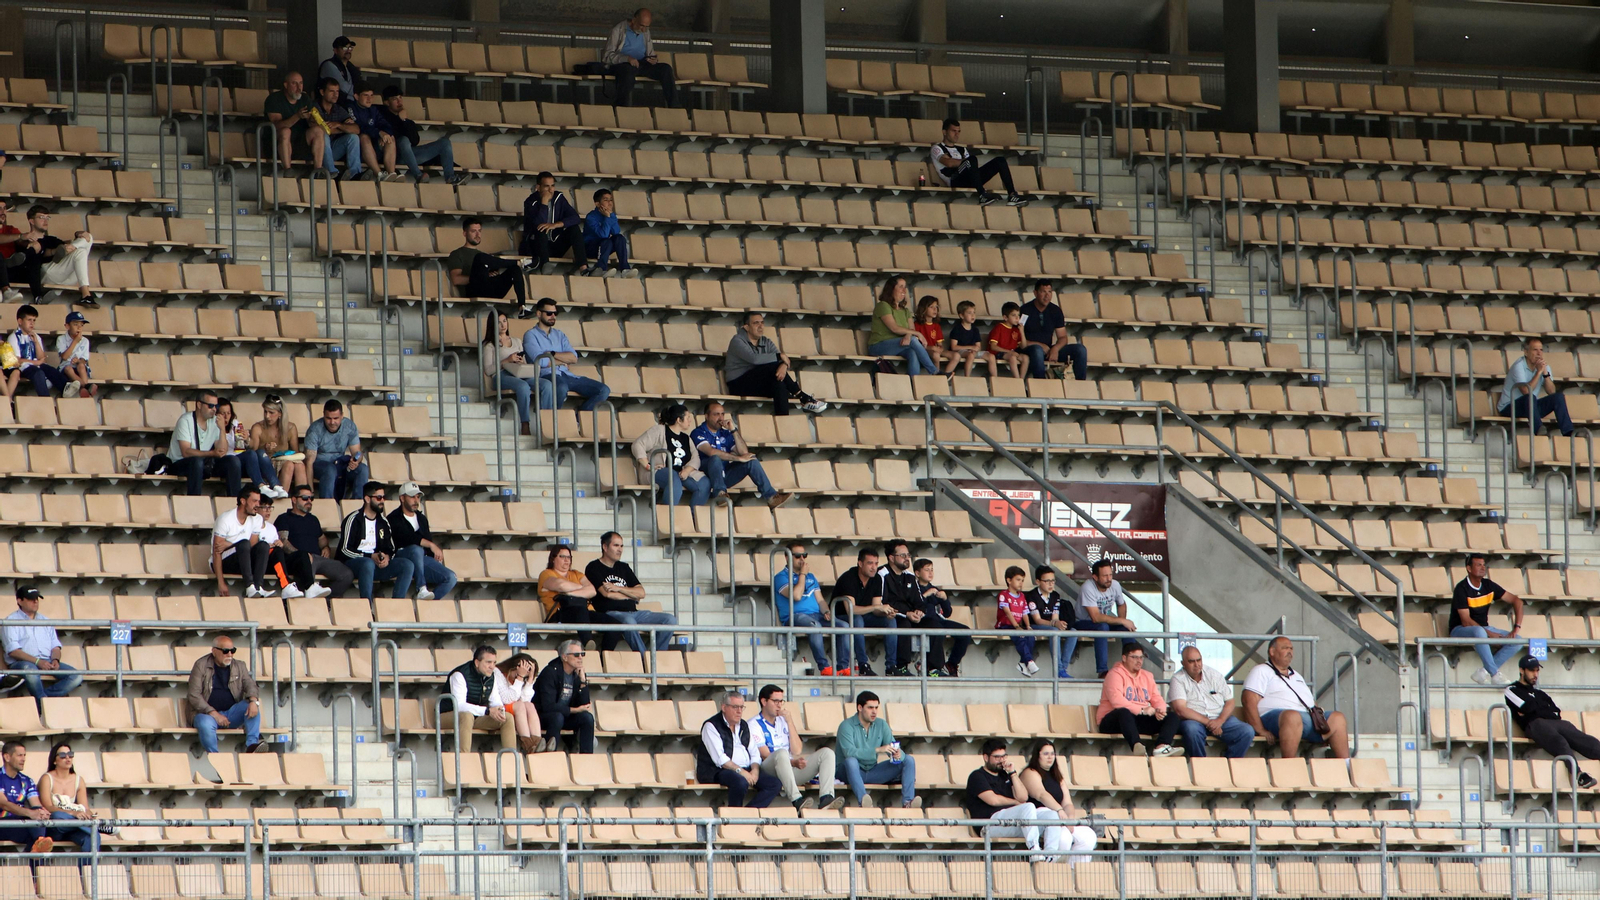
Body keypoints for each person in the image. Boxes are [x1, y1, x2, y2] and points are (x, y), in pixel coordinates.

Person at [1241, 636, 1350, 759]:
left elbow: (1310, 701)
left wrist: (1320, 722)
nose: (1290, 652)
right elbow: (1248, 700)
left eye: (1291, 649)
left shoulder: (1296, 675)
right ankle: (1289, 764)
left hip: (1306, 719)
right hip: (1277, 718)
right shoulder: (1261, 670)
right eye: (1285, 648)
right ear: (1272, 651)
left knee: (1338, 718)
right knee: (1292, 716)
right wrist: (1260, 729)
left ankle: (1346, 765)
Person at [1506, 655, 1600, 788]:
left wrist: (1534, 709)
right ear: (1522, 670)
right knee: (1559, 741)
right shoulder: (1512, 690)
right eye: (1532, 670)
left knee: (1584, 739)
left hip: (1553, 722)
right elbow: (1526, 707)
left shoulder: (1541, 694)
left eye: (1537, 670)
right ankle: (1579, 774)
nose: (1535, 674)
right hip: (1534, 724)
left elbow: (1556, 712)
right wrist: (1541, 710)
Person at [964, 739, 1064, 863]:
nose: (1001, 760)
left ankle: (1051, 855)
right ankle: (1034, 849)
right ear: (985, 757)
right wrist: (1015, 802)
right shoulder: (977, 776)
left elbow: (1023, 797)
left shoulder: (1005, 775)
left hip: (1011, 823)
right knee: (1028, 807)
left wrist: (1012, 773)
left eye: (1004, 756)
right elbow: (993, 800)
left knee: (1051, 814)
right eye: (997, 757)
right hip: (989, 825)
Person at [754, 685, 843, 813]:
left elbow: (797, 750)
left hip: (790, 769)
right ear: (764, 701)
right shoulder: (754, 724)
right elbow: (765, 755)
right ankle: (797, 800)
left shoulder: (783, 721)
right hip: (768, 771)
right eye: (775, 701)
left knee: (827, 753)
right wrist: (792, 762)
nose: (779, 705)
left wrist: (789, 721)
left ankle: (826, 798)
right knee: (781, 753)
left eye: (781, 701)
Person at [585, 530, 677, 654]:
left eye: (622, 546)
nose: (620, 550)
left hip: (635, 613)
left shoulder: (624, 567)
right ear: (605, 547)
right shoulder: (593, 567)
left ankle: (657, 657)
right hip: (611, 614)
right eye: (616, 545)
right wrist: (631, 595)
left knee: (670, 620)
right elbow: (608, 594)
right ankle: (644, 658)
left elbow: (641, 593)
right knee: (629, 622)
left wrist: (619, 589)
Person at [723, 310, 827, 416]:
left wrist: (783, 365)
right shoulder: (737, 340)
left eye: (762, 323)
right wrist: (779, 358)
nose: (760, 326)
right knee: (772, 367)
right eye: (756, 323)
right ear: (746, 327)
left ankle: (782, 422)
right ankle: (803, 397)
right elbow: (754, 359)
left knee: (779, 383)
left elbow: (782, 360)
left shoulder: (766, 341)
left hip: (757, 383)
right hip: (739, 384)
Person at [691, 401, 794, 508]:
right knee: (715, 458)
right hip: (706, 476)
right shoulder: (698, 432)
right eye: (716, 414)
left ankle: (771, 497)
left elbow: (744, 452)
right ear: (706, 416)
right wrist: (738, 458)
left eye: (722, 414)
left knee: (751, 460)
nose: (721, 418)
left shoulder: (725, 433)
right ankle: (720, 494)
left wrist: (733, 430)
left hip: (724, 474)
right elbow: (711, 452)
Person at [774, 541, 852, 676]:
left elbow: (820, 599)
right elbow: (796, 596)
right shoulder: (780, 577)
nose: (802, 559)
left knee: (844, 626)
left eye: (804, 555)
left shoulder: (811, 577)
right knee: (815, 626)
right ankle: (824, 667)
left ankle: (843, 667)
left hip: (816, 614)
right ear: (787, 557)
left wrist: (826, 611)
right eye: (797, 556)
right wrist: (802, 575)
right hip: (795, 616)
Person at [520, 298, 610, 412]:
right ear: (539, 314)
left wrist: (553, 354)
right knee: (561, 388)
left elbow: (573, 358)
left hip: (567, 375)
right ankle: (552, 423)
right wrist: (563, 360)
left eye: (555, 313)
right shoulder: (530, 335)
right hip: (546, 375)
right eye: (549, 313)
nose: (553, 316)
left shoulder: (559, 334)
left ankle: (578, 420)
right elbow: (542, 362)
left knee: (603, 390)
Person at [694, 691, 780, 808]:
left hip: (745, 768)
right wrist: (742, 772)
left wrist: (755, 770)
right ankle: (735, 815)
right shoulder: (711, 726)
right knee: (740, 782)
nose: (739, 711)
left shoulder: (744, 725)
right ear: (724, 707)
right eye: (735, 707)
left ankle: (748, 813)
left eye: (741, 707)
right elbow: (721, 759)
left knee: (774, 784)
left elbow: (754, 753)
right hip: (717, 770)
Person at [3, 585, 82, 710]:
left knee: (76, 676)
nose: (35, 601)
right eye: (30, 598)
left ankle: (43, 700)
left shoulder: (45, 620)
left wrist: (56, 660)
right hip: (23, 663)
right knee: (31, 669)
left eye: (36, 598)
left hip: (47, 661)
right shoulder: (10, 621)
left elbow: (55, 647)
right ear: (19, 601)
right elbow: (13, 651)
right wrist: (38, 661)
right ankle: (44, 706)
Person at [1018, 740, 1097, 863]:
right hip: (1042, 817)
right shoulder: (1030, 772)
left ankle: (1074, 872)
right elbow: (1040, 794)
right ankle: (1051, 868)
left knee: (1088, 837)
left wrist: (1070, 819)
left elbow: (1067, 803)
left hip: (1061, 818)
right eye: (1045, 754)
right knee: (1064, 838)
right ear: (1037, 755)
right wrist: (1059, 810)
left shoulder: (1057, 775)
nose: (1050, 757)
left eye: (1052, 753)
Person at [1168, 646, 1255, 758]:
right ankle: (1201, 766)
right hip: (1195, 720)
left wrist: (1219, 720)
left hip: (1220, 719)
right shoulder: (1178, 679)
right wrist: (1209, 722)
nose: (1197, 664)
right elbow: (1180, 710)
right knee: (1192, 730)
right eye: (1191, 661)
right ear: (1183, 663)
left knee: (1247, 731)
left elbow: (1230, 701)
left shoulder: (1214, 675)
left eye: (1199, 660)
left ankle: (1228, 764)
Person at [835, 691, 918, 808]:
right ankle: (864, 801)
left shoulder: (881, 724)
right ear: (859, 707)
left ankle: (908, 802)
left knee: (909, 760)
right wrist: (877, 750)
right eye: (870, 708)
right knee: (851, 761)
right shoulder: (846, 726)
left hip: (872, 771)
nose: (874, 711)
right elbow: (849, 752)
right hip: (848, 771)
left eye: (876, 707)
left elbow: (893, 745)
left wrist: (898, 754)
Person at [1097, 643, 1182, 756]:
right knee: (1123, 712)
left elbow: (1157, 698)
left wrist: (1160, 710)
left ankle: (1161, 747)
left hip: (1137, 719)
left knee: (1172, 716)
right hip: (1113, 720)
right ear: (1124, 658)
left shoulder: (1147, 676)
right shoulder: (1114, 674)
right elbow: (1116, 701)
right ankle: (1137, 746)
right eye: (1134, 657)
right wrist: (1142, 710)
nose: (1139, 661)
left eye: (1141, 657)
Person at [1452, 552, 1524, 685]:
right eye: (1478, 565)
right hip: (1460, 629)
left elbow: (1517, 601)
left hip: (1483, 629)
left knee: (1517, 641)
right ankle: (1495, 674)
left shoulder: (1488, 585)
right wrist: (1490, 634)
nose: (1483, 568)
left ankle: (1483, 672)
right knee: (1480, 632)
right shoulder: (1461, 588)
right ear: (1469, 568)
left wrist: (1516, 627)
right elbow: (1466, 621)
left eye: (1484, 565)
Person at [338, 482, 416, 601]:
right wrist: (369, 556)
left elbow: (391, 548)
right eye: (379, 497)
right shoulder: (353, 519)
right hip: (353, 564)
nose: (382, 501)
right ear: (367, 499)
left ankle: (397, 604)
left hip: (376, 565)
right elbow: (344, 550)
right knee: (367, 563)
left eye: (384, 497)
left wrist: (386, 557)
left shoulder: (383, 522)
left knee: (407, 565)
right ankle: (367, 606)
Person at [187, 635, 263, 754]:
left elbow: (250, 685)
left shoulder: (240, 665)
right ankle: (216, 759)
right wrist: (214, 714)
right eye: (225, 651)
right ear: (214, 651)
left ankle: (252, 747)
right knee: (205, 724)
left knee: (251, 706)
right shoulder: (200, 665)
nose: (230, 655)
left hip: (231, 714)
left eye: (233, 651)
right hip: (206, 714)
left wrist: (254, 701)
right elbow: (194, 695)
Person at [274, 486, 352, 599]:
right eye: (305, 498)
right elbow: (283, 542)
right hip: (297, 559)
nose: (309, 501)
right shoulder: (284, 518)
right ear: (294, 500)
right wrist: (303, 556)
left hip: (317, 558)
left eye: (311, 498)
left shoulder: (313, 519)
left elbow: (322, 540)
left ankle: (327, 601)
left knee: (346, 574)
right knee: (305, 564)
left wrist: (326, 547)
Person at [931, 118, 1025, 206]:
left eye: (959, 131)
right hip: (955, 179)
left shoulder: (962, 149)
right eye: (953, 131)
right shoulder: (937, 148)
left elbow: (968, 166)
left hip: (971, 178)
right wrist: (964, 161)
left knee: (1000, 160)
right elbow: (949, 163)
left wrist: (959, 161)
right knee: (972, 160)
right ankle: (982, 195)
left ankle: (1012, 195)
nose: (957, 134)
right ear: (944, 132)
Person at [379, 87, 465, 185]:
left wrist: (404, 121)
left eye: (400, 98)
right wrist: (398, 120)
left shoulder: (407, 121)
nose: (399, 101)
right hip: (392, 156)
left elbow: (415, 141)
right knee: (403, 140)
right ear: (386, 102)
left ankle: (451, 178)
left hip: (409, 155)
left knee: (445, 142)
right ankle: (418, 176)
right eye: (395, 99)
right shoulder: (381, 116)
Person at [13, 208, 97, 307]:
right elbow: (37, 255)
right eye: (41, 217)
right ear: (31, 221)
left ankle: (86, 296)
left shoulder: (52, 239)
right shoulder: (25, 240)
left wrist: (78, 234)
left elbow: (66, 246)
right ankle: (86, 295)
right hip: (45, 274)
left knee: (87, 239)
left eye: (47, 217)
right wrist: (54, 252)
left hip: (65, 275)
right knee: (80, 250)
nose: (45, 221)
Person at [388, 482, 458, 602]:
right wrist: (431, 545)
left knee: (451, 577)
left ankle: (428, 605)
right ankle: (421, 587)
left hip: (422, 559)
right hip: (402, 558)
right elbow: (408, 538)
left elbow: (426, 541)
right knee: (416, 549)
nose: (416, 500)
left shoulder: (422, 518)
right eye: (412, 497)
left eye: (418, 497)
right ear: (402, 498)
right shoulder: (393, 518)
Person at [632, 402, 711, 506]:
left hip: (681, 473)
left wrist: (687, 470)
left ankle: (692, 519)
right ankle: (668, 519)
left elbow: (695, 457)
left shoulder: (686, 438)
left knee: (704, 483)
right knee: (673, 478)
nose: (690, 421)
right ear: (679, 420)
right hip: (658, 472)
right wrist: (648, 465)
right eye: (687, 418)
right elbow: (638, 445)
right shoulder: (659, 430)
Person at [445, 644, 517, 753]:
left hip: (476, 716)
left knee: (507, 717)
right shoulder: (460, 674)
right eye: (488, 662)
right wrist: (487, 711)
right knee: (466, 716)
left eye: (494, 663)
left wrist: (499, 710)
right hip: (448, 715)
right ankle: (463, 761)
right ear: (477, 663)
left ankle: (511, 761)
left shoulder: (491, 676)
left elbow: (495, 700)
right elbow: (459, 706)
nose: (492, 667)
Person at [170, 391, 243, 497]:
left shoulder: (214, 421)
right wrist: (212, 453)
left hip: (205, 463)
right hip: (180, 463)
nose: (214, 409)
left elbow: (222, 451)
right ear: (199, 405)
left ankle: (235, 502)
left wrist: (222, 429)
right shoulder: (185, 420)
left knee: (233, 461)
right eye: (210, 406)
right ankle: (194, 501)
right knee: (197, 462)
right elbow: (186, 452)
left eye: (216, 406)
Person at [602, 8, 677, 108]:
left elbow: (650, 53)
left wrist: (653, 59)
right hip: (623, 64)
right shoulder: (618, 30)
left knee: (666, 69)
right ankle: (621, 107)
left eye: (647, 27)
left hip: (642, 63)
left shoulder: (645, 31)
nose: (644, 30)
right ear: (633, 20)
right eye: (642, 25)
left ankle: (675, 106)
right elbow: (607, 56)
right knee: (627, 72)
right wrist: (627, 58)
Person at [871, 540, 926, 677]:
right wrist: (906, 613)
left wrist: (919, 611)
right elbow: (884, 603)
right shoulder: (882, 575)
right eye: (903, 555)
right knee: (904, 624)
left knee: (934, 624)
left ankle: (934, 668)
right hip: (894, 616)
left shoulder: (910, 576)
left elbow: (919, 600)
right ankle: (901, 667)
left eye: (908, 555)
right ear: (891, 557)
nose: (907, 558)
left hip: (911, 615)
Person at [1500, 337, 1574, 438]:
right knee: (1530, 397)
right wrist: (1538, 372)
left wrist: (1545, 374)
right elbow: (1526, 391)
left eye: (1541, 350)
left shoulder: (1544, 367)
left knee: (1558, 397)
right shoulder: (1518, 366)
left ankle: (1568, 432)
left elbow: (1551, 391)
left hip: (1531, 406)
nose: (1539, 353)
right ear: (1526, 352)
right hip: (1509, 407)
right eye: (1535, 350)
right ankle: (1539, 429)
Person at [36, 742, 100, 858]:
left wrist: (90, 816)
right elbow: (48, 807)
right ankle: (90, 825)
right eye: (62, 755)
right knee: (58, 815)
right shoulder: (47, 778)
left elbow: (84, 807)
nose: (67, 758)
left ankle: (87, 874)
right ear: (54, 760)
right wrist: (74, 814)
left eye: (70, 755)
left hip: (73, 829)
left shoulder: (79, 780)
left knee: (93, 836)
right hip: (55, 827)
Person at [452, 219, 530, 312]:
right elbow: (456, 279)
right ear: (465, 233)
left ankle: (522, 307)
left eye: (479, 231)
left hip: (490, 289)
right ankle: (518, 262)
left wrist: (489, 274)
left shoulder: (484, 255)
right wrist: (481, 276)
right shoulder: (457, 253)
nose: (477, 234)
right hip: (474, 290)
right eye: (473, 231)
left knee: (515, 269)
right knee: (481, 257)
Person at [532, 640, 595, 753]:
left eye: (582, 654)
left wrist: (583, 681)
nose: (580, 657)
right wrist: (574, 710)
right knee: (557, 717)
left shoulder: (578, 674)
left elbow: (585, 705)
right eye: (576, 655)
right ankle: (549, 753)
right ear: (564, 657)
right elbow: (548, 706)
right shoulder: (550, 672)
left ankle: (587, 756)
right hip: (542, 716)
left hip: (565, 715)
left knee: (587, 718)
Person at [217, 398, 286, 501]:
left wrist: (246, 439)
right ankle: (261, 486)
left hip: (240, 459)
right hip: (226, 462)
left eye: (229, 413)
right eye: (223, 413)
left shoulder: (235, 423)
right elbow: (222, 450)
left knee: (260, 452)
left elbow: (244, 447)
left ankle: (276, 485)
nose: (226, 416)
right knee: (250, 454)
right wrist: (222, 428)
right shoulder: (214, 426)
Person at [830, 548, 885, 677]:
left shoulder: (877, 578)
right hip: (841, 617)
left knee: (890, 621)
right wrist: (875, 608)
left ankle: (892, 666)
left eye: (876, 563)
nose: (874, 567)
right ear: (860, 563)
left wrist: (885, 612)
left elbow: (876, 608)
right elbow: (851, 609)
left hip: (863, 615)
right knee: (857, 619)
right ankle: (863, 665)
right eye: (870, 563)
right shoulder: (848, 578)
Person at [868, 275, 938, 375]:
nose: (904, 290)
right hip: (879, 345)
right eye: (901, 286)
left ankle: (911, 384)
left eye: (905, 287)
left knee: (912, 352)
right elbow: (894, 328)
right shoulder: (883, 305)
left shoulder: (905, 311)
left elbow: (911, 328)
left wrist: (908, 336)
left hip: (899, 344)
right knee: (914, 340)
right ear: (891, 289)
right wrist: (917, 334)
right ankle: (934, 371)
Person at [913, 558, 971, 678]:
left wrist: (944, 599)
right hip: (922, 622)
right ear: (917, 573)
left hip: (939, 621)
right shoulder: (913, 589)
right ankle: (933, 667)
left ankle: (951, 664)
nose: (930, 573)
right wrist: (926, 595)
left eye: (932, 570)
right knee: (937, 629)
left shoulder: (935, 590)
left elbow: (947, 613)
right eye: (927, 570)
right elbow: (913, 604)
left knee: (965, 632)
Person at [1021, 280, 1088, 381]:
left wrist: (1055, 349)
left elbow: (1062, 337)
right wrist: (1040, 345)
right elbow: (1017, 338)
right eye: (1043, 292)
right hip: (1029, 349)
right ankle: (1041, 385)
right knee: (1037, 350)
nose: (1047, 296)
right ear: (1035, 293)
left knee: (1080, 349)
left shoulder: (1055, 311)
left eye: (1049, 292)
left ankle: (1080, 385)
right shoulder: (1025, 310)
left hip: (1048, 350)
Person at [212, 486, 272, 599]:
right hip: (225, 562)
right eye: (254, 501)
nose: (258, 505)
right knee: (244, 544)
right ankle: (249, 587)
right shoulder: (225, 519)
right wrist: (220, 582)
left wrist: (230, 544)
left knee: (263, 545)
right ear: (243, 501)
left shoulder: (257, 518)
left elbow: (253, 546)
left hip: (243, 560)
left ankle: (258, 587)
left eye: (259, 501)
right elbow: (217, 553)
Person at [483, 312, 537, 436]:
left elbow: (525, 362)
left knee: (546, 385)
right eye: (499, 322)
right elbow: (488, 370)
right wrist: (507, 360)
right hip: (501, 375)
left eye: (505, 321)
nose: (503, 325)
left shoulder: (517, 341)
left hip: (519, 372)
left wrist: (519, 360)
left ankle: (547, 422)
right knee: (522, 386)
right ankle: (525, 424)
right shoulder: (489, 345)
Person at [537, 546, 601, 650]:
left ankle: (606, 653)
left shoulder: (577, 574)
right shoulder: (546, 574)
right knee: (580, 610)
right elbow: (561, 585)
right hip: (559, 614)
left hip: (585, 612)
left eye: (569, 557)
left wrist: (569, 593)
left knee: (613, 623)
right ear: (553, 559)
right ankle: (587, 642)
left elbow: (592, 591)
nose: (567, 560)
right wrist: (582, 588)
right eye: (562, 557)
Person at [1079, 559, 1135, 678]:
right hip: (1083, 622)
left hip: (1104, 621)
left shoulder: (1115, 585)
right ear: (1095, 577)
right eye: (1105, 576)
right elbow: (1096, 617)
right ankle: (1103, 671)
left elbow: (1121, 604)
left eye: (1110, 575)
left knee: (1126, 630)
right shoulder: (1087, 587)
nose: (1109, 578)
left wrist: (1122, 620)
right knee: (1103, 626)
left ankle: (1131, 668)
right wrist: (1122, 620)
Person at [305, 399, 368, 500]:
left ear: (342, 415)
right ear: (323, 415)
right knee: (330, 469)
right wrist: (310, 490)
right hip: (320, 464)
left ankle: (359, 505)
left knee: (363, 469)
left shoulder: (349, 426)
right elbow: (309, 462)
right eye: (328, 418)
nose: (332, 422)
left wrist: (356, 461)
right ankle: (327, 504)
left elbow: (357, 452)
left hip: (340, 463)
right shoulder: (315, 429)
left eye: (336, 418)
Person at [520, 173, 583, 272]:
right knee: (541, 228)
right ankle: (545, 266)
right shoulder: (530, 202)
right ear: (538, 187)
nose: (550, 190)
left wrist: (556, 225)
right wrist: (544, 202)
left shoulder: (559, 198)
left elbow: (575, 218)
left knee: (574, 228)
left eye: (552, 186)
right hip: (535, 248)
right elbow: (537, 223)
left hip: (554, 246)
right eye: (546, 186)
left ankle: (584, 268)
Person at [4, 304, 69, 397]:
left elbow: (42, 358)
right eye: (29, 320)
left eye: (34, 320)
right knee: (38, 373)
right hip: (22, 367)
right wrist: (36, 363)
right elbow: (17, 361)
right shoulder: (13, 337)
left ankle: (66, 388)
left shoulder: (36, 336)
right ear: (20, 321)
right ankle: (45, 399)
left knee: (51, 370)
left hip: (35, 365)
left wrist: (36, 343)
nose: (32, 323)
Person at [0, 742, 54, 854]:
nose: (23, 759)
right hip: (3, 823)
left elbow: (36, 804)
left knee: (37, 830)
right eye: (20, 755)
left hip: (21, 823)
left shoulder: (27, 780)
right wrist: (30, 813)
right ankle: (39, 843)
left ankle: (38, 845)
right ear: (7, 757)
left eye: (25, 755)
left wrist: (41, 812)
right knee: (35, 833)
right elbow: (3, 803)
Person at [1026, 566, 1077, 679]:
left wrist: (1060, 624)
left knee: (1073, 632)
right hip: (1035, 626)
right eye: (1047, 581)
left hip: (1050, 625)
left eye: (1053, 581)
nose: (1051, 584)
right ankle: (1059, 669)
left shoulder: (1055, 595)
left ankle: (1062, 669)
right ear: (1038, 581)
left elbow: (1055, 617)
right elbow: (1037, 620)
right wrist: (1055, 624)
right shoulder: (1031, 596)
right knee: (1054, 631)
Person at [304, 77, 361, 179]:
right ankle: (331, 172)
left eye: (337, 91)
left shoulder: (338, 109)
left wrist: (339, 124)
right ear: (322, 92)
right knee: (323, 135)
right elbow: (322, 129)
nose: (335, 95)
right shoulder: (314, 107)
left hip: (331, 150)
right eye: (331, 91)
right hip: (314, 152)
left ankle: (355, 174)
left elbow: (356, 130)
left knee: (353, 138)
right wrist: (342, 129)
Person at [250, 395, 307, 493]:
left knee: (299, 465)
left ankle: (303, 496)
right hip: (266, 463)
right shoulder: (258, 427)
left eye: (271, 413)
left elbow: (295, 451)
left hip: (284, 459)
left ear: (280, 414)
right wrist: (265, 447)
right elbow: (253, 453)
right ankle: (281, 496)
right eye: (265, 412)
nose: (267, 416)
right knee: (289, 465)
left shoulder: (290, 428)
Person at [348, 82, 400, 182]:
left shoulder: (373, 109)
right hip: (357, 151)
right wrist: (378, 133)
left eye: (371, 96)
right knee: (364, 136)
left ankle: (391, 174)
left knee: (390, 137)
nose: (369, 99)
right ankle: (379, 174)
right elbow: (359, 127)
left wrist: (384, 134)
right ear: (356, 96)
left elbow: (386, 125)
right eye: (365, 95)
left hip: (373, 149)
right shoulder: (350, 108)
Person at [264, 72, 314, 170]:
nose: (299, 88)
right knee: (285, 131)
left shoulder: (305, 98)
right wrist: (297, 116)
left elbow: (312, 120)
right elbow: (276, 125)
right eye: (294, 83)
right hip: (276, 145)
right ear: (286, 85)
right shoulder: (274, 99)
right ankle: (287, 169)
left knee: (318, 131)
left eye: (301, 83)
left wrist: (312, 120)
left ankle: (318, 170)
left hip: (299, 145)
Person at [996, 565, 1039, 676]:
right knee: (1020, 637)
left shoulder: (1022, 596)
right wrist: (1016, 626)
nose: (1021, 583)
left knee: (1031, 636)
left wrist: (1028, 626)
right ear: (1009, 580)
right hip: (1005, 625)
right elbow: (1007, 612)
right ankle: (1029, 661)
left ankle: (1022, 663)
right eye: (1018, 580)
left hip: (1016, 626)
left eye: (1022, 580)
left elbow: (1025, 612)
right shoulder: (1003, 595)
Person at [497, 652, 543, 755]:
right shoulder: (498, 674)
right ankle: (528, 745)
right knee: (520, 706)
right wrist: (520, 677)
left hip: (516, 709)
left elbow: (524, 699)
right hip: (499, 708)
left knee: (530, 705)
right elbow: (507, 699)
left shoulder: (522, 679)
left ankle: (537, 743)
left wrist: (529, 680)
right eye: (518, 674)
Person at [583, 189, 630, 276]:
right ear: (597, 204)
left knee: (620, 238)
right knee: (606, 241)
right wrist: (607, 217)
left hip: (604, 247)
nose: (610, 203)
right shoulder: (591, 217)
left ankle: (625, 269)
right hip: (590, 248)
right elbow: (603, 235)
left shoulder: (611, 214)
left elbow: (616, 232)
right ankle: (601, 269)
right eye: (606, 200)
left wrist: (610, 216)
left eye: (611, 200)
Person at [948, 300, 994, 377]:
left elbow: (978, 346)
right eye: (969, 313)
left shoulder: (975, 329)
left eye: (974, 312)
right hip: (960, 351)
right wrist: (970, 347)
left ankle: (994, 379)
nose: (973, 315)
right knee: (971, 355)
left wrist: (975, 349)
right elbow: (954, 347)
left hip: (972, 351)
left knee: (991, 356)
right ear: (962, 316)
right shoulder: (957, 329)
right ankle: (967, 377)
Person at [54, 311, 94, 399]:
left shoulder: (85, 341)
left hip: (79, 369)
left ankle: (81, 385)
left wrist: (79, 361)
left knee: (81, 366)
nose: (79, 328)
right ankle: (86, 387)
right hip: (66, 368)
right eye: (76, 324)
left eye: (81, 325)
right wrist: (75, 341)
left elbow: (84, 359)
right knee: (68, 369)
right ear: (67, 326)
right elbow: (64, 357)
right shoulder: (61, 339)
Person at [913, 296, 954, 374]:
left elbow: (940, 344)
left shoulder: (936, 326)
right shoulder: (917, 325)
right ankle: (937, 376)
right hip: (924, 350)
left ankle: (945, 375)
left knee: (956, 356)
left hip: (935, 349)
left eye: (936, 307)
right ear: (923, 309)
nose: (935, 309)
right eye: (931, 307)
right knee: (936, 355)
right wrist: (932, 348)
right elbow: (917, 345)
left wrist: (940, 348)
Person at [985, 302, 1027, 378]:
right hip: (998, 353)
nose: (1017, 318)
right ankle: (1017, 380)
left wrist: (1022, 331)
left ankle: (1022, 379)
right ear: (1005, 317)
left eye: (1018, 315)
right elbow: (993, 347)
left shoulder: (1016, 330)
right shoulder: (999, 327)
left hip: (1011, 353)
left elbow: (1023, 346)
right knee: (1012, 358)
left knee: (1025, 358)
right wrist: (1009, 352)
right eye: (1014, 315)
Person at [318, 35, 362, 105]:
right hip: (334, 105)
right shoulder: (329, 65)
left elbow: (359, 82)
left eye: (350, 48)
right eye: (344, 48)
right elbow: (343, 87)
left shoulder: (350, 67)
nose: (348, 51)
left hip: (349, 104)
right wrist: (359, 94)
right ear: (335, 50)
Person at [0, 200, 29, 302]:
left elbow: (22, 242)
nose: (2, 212)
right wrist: (20, 236)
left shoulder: (11, 229)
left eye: (4, 208)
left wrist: (30, 242)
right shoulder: (14, 234)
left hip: (10, 272)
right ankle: (6, 290)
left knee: (30, 251)